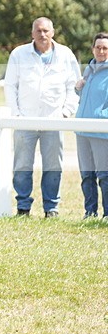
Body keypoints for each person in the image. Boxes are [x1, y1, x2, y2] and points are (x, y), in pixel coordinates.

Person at [4, 17, 81, 218]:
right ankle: (23, 207)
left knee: (54, 166)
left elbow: (73, 87)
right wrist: (16, 114)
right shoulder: (19, 54)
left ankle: (51, 208)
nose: (42, 34)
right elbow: (10, 85)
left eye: (46, 30)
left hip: (54, 120)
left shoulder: (65, 54)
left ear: (53, 32)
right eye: (38, 30)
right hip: (25, 120)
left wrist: (65, 112)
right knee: (21, 165)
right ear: (32, 33)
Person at [74, 32, 108, 220]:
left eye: (105, 48)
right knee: (87, 175)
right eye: (98, 47)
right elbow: (87, 98)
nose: (101, 51)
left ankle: (107, 214)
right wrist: (78, 89)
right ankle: (90, 213)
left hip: (102, 132)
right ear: (93, 49)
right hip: (82, 130)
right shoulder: (89, 69)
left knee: (104, 175)